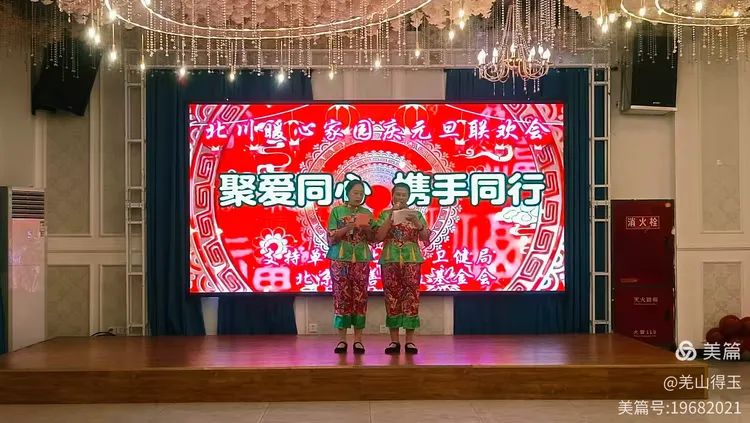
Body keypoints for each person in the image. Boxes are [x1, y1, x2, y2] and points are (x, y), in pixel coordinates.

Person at [375, 183, 430, 355]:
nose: (400, 197)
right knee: (391, 298)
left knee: (411, 297)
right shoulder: (385, 214)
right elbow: (378, 237)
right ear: (392, 196)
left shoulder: (416, 215)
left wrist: (417, 224)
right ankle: (394, 341)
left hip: (411, 259)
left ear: (408, 197)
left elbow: (426, 238)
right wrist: (390, 218)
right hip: (390, 259)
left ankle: (410, 341)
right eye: (397, 194)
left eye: (403, 195)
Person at [326, 180, 376, 354]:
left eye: (361, 193)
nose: (359, 196)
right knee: (341, 297)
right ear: (347, 193)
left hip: (361, 259)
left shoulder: (366, 213)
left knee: (360, 297)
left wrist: (367, 228)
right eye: (355, 192)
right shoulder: (337, 211)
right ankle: (342, 340)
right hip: (340, 259)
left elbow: (373, 239)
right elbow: (331, 237)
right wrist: (348, 227)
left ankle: (358, 340)